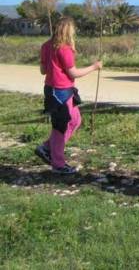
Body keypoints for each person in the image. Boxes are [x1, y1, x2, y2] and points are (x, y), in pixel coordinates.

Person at [34, 17, 102, 174]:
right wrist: (94, 67)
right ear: (68, 31)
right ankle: (58, 163)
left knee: (75, 120)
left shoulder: (46, 46)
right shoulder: (64, 49)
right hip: (60, 92)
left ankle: (47, 148)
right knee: (60, 128)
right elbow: (74, 73)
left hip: (54, 89)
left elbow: (43, 70)